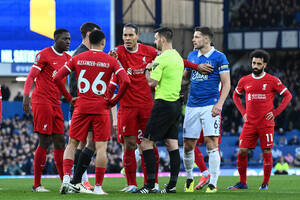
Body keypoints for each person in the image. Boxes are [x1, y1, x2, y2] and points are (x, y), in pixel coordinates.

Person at [108, 23, 204, 193]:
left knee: (148, 144)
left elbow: (177, 60)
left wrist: (196, 67)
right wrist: (110, 59)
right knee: (129, 145)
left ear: (137, 36)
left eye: (131, 35)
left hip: (147, 105)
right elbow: (110, 69)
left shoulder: (150, 52)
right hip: (127, 106)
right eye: (125, 36)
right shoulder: (118, 52)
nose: (127, 39)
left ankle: (152, 183)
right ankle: (131, 183)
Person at [54, 30, 130, 195]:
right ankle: (97, 188)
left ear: (89, 41)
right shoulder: (111, 60)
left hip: (81, 105)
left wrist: (68, 97)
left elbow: (57, 78)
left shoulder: (77, 58)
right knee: (101, 147)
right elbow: (126, 80)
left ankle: (67, 180)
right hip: (101, 107)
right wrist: (115, 100)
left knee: (72, 143)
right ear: (103, 43)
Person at [228, 49, 292, 190]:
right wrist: (243, 112)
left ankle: (265, 184)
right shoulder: (244, 80)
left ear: (265, 65)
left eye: (258, 63)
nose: (255, 66)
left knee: (266, 152)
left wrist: (275, 112)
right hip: (249, 123)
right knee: (242, 151)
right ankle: (243, 183)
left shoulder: (272, 80)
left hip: (266, 124)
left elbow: (288, 96)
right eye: (253, 63)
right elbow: (235, 96)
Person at [182, 26, 230, 193]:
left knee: (212, 143)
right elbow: (185, 80)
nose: (193, 40)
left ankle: (213, 182)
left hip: (210, 105)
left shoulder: (219, 57)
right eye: (193, 37)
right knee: (188, 145)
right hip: (191, 105)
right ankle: (189, 177)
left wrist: (220, 104)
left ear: (207, 39)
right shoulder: (192, 55)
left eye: (196, 37)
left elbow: (227, 83)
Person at [136, 27, 183, 194]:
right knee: (172, 144)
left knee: (146, 143)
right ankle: (171, 185)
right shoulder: (178, 57)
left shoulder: (161, 59)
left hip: (163, 104)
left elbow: (152, 83)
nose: (154, 42)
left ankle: (149, 185)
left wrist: (147, 69)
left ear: (162, 39)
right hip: (176, 105)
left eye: (156, 39)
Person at [22, 28, 71, 192]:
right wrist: (26, 96)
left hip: (56, 102)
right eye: (65, 39)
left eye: (69, 39)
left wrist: (70, 99)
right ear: (56, 39)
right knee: (45, 141)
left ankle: (64, 183)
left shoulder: (67, 58)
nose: (68, 41)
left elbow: (62, 83)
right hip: (41, 101)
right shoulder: (43, 55)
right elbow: (31, 77)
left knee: (60, 141)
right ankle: (36, 185)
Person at [68, 22, 101, 190]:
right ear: (89, 34)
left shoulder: (83, 53)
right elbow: (74, 83)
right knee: (85, 143)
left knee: (84, 143)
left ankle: (78, 180)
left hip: (82, 104)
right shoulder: (80, 54)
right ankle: (78, 180)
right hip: (83, 105)